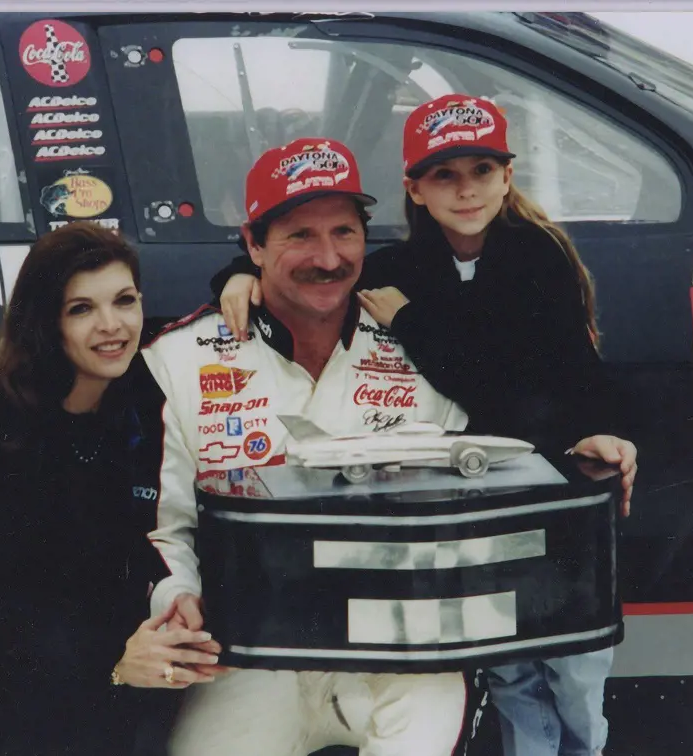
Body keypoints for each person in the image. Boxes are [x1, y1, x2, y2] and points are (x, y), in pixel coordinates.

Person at [214, 95, 637, 756]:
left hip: (555, 484)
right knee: (512, 666)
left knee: (577, 672)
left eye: (481, 169)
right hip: (481, 497)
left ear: (507, 176)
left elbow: (513, 382)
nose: (466, 188)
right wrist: (239, 274)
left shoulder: (538, 257)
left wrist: (412, 324)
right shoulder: (400, 268)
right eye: (445, 174)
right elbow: (315, 274)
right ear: (414, 186)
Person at [140, 138, 474, 756]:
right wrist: (175, 596)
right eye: (299, 235)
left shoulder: (421, 344)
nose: (328, 258)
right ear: (253, 244)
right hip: (248, 651)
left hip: (394, 648)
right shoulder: (178, 358)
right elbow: (165, 527)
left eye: (344, 232)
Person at [0, 222, 220, 756]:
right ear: (47, 320)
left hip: (101, 680)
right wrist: (116, 663)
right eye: (81, 309)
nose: (112, 325)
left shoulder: (139, 399)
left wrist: (171, 599)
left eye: (125, 300)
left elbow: (138, 545)